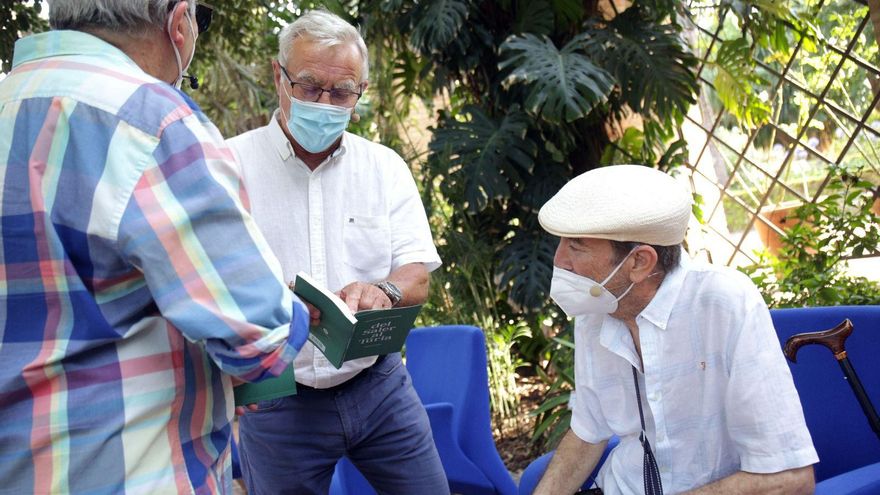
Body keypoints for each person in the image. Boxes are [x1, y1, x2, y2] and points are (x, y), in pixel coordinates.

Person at [0, 1, 310, 493]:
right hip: (126, 471)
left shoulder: (8, 100)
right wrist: (298, 312)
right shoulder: (152, 121)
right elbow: (258, 337)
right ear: (178, 20)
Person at [226, 9, 448, 495]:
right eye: (308, 86)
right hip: (279, 395)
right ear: (278, 77)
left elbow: (418, 274)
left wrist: (383, 290)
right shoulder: (228, 165)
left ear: (360, 94)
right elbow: (204, 283)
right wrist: (272, 305)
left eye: (342, 92)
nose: (324, 103)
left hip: (378, 385)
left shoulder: (383, 168)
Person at [532, 165, 818, 495]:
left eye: (576, 246)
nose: (559, 261)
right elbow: (587, 432)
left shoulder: (724, 304)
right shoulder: (597, 308)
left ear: (640, 262)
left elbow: (791, 479)